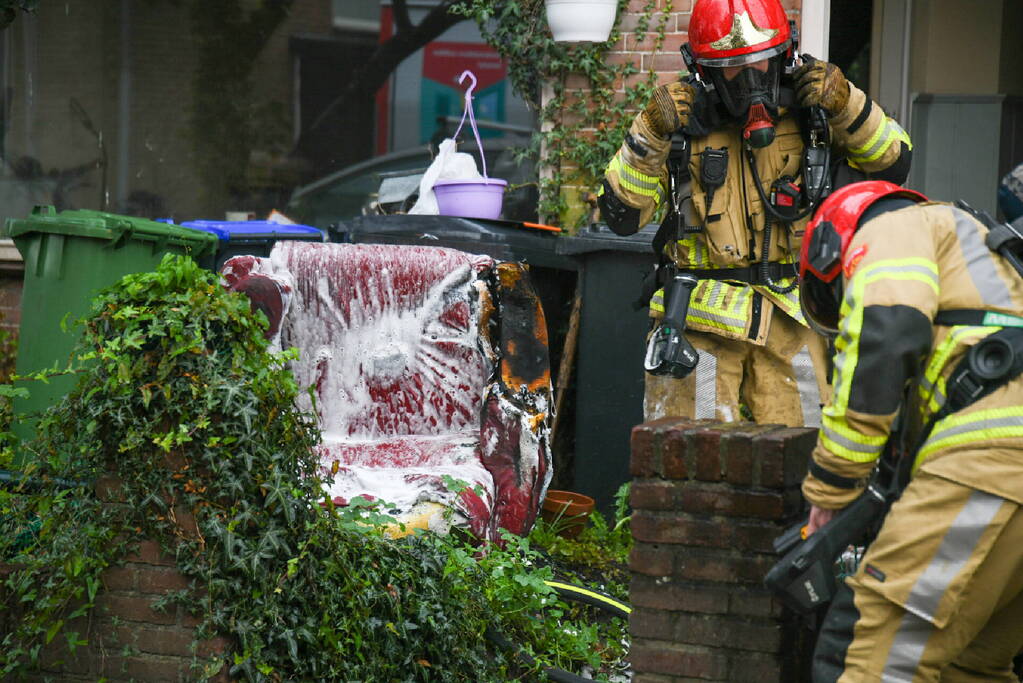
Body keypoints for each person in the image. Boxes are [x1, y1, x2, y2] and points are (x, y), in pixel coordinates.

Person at [597, 0, 912, 427]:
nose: (750, 80)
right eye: (731, 68)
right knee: (692, 463)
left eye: (762, 62)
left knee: (797, 463)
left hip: (796, 326)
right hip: (700, 332)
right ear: (703, 70)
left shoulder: (815, 112)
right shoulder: (677, 125)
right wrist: (649, 134)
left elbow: (893, 163)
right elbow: (622, 217)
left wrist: (847, 104)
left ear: (786, 56)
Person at [798, 180, 1023, 681]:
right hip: (1007, 483)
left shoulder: (895, 229)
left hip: (989, 463)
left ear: (833, 248)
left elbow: (886, 333)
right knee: (971, 666)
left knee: (878, 655)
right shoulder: (988, 257)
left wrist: (831, 488)